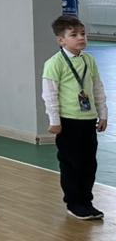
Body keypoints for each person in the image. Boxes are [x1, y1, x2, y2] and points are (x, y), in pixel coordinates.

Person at [42, 15, 107, 220]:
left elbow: (97, 88)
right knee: (72, 163)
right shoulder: (54, 63)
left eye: (83, 34)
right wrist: (54, 121)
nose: (81, 38)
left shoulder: (89, 60)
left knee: (89, 164)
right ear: (61, 40)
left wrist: (102, 113)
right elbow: (50, 94)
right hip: (68, 122)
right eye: (74, 35)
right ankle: (73, 202)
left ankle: (86, 201)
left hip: (88, 121)